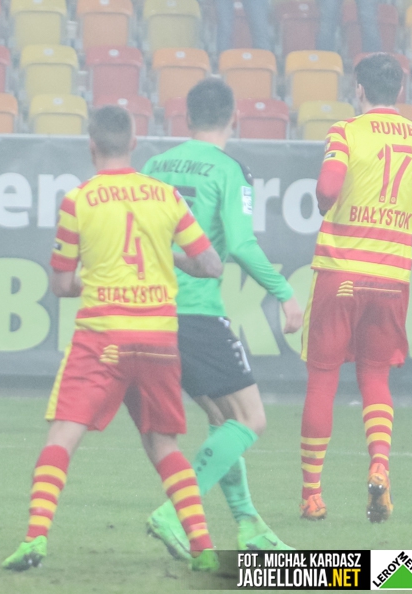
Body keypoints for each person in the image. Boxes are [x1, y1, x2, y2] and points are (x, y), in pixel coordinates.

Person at [2, 106, 224, 573]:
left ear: (91, 145)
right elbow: (211, 265)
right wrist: (167, 259)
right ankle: (204, 548)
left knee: (63, 436)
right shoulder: (166, 196)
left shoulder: (78, 201)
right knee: (163, 445)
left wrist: (95, 280)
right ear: (134, 144)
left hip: (102, 337)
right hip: (158, 339)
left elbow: (61, 285)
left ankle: (35, 538)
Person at [141, 78, 303, 558]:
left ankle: (248, 523)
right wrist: (285, 294)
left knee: (222, 418)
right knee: (251, 418)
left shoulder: (153, 165)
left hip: (149, 309)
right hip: (195, 312)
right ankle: (175, 511)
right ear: (234, 117)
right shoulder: (230, 170)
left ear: (186, 117)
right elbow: (241, 244)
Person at [299, 53, 412, 523]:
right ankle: (379, 465)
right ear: (400, 91)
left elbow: (328, 188)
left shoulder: (346, 132)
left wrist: (326, 207)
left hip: (341, 273)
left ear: (359, 89)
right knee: (376, 376)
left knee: (323, 377)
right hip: (392, 278)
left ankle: (312, 495)